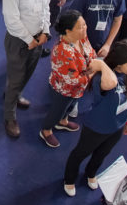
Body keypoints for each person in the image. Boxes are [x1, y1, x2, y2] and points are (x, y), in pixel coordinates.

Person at [63, 39, 127, 196]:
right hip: (97, 127)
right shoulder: (104, 79)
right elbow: (111, 83)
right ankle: (69, 179)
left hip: (117, 127)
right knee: (80, 153)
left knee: (102, 153)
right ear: (118, 64)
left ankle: (91, 173)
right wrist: (103, 65)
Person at [1, 0, 50, 138]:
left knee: (27, 73)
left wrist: (45, 31)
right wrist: (30, 40)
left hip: (38, 38)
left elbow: (46, 7)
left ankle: (14, 96)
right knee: (16, 77)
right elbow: (12, 20)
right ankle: (9, 116)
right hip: (19, 41)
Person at [39, 10, 103, 149]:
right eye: (81, 27)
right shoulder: (63, 51)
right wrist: (94, 72)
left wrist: (93, 65)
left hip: (78, 88)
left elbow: (91, 53)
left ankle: (63, 121)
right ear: (68, 31)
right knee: (57, 110)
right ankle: (46, 130)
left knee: (71, 106)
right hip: (63, 90)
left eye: (84, 24)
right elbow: (72, 80)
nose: (85, 28)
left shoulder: (82, 38)